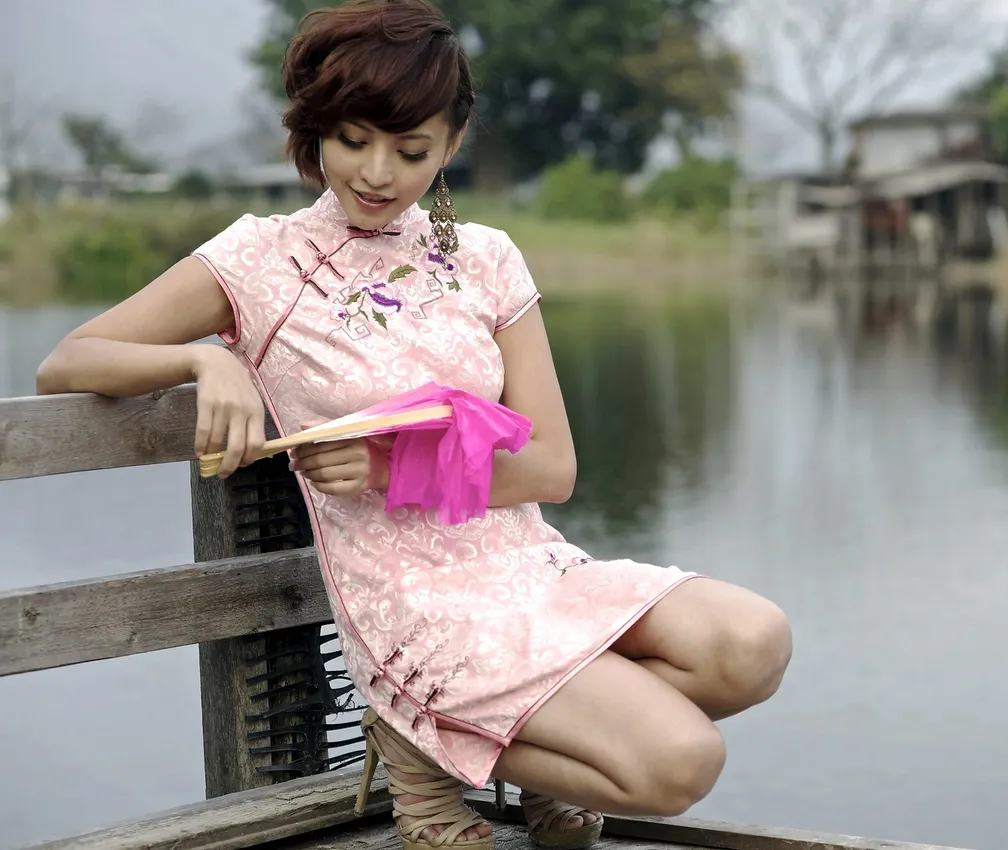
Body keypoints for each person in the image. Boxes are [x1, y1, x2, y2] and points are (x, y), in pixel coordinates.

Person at [35, 2, 793, 849]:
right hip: (410, 602)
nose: (377, 173)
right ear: (317, 125)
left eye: (410, 149)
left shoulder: (487, 259)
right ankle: (417, 733)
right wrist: (209, 360)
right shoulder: (257, 261)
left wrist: (392, 465)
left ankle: (461, 746)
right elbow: (71, 357)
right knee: (679, 764)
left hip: (527, 566)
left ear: (453, 143)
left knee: (752, 643)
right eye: (354, 139)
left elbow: (551, 467)